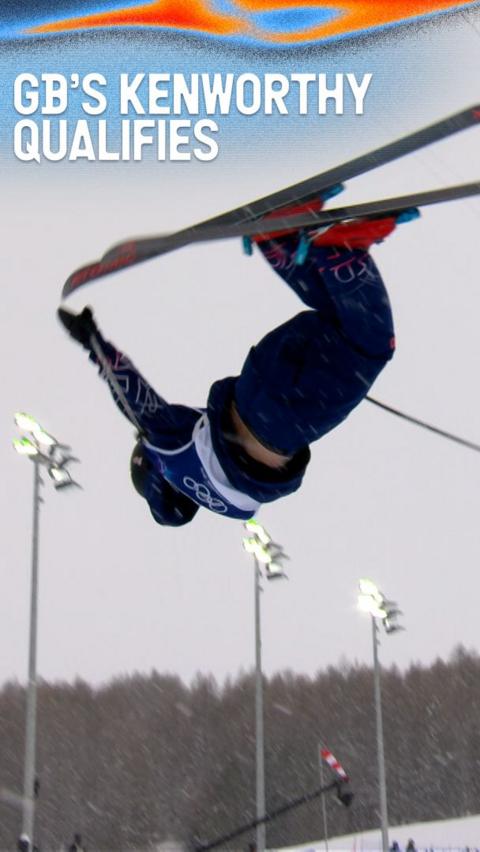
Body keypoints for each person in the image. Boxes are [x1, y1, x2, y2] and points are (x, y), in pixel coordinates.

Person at [58, 206, 397, 527]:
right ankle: (279, 238)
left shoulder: (182, 466)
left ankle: (338, 249)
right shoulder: (180, 454)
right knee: (339, 319)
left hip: (286, 419)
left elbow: (138, 410)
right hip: (257, 379)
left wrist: (94, 346)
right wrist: (95, 345)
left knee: (371, 344)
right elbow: (135, 398)